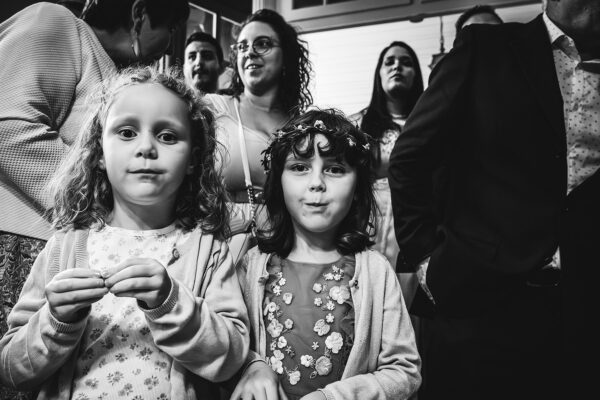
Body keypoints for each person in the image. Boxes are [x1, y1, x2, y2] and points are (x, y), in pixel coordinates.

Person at [388, 0, 600, 399]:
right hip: (480, 302)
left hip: (583, 311)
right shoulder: (485, 50)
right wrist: (427, 259)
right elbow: (410, 159)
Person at [0, 66, 250, 399]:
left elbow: (232, 359)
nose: (146, 147)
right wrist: (56, 320)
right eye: (127, 132)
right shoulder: (65, 248)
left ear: (192, 159)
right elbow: (12, 370)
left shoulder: (208, 251)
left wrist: (171, 303)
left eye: (167, 136)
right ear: (99, 153)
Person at [0, 0, 189, 352]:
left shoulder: (109, 69)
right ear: (139, 14)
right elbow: (8, 129)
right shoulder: (55, 23)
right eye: (171, 29)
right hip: (15, 248)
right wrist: (105, 197)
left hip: (65, 250)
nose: (168, 46)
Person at [231, 109, 421, 400]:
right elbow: (228, 349)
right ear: (278, 182)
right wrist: (253, 366)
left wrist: (333, 398)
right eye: (299, 167)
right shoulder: (249, 266)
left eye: (334, 168)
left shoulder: (376, 272)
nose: (317, 182)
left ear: (357, 186)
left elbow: (404, 371)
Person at [203, 8, 313, 265]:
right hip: (220, 253)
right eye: (242, 47)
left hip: (288, 252)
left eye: (262, 44)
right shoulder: (212, 108)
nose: (249, 52)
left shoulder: (304, 126)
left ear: (285, 55)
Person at [350, 41, 423, 304]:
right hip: (370, 222)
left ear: (416, 74)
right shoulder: (358, 124)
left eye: (406, 62)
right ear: (378, 73)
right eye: (389, 62)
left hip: (418, 222)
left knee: (411, 300)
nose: (397, 67)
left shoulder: (430, 120)